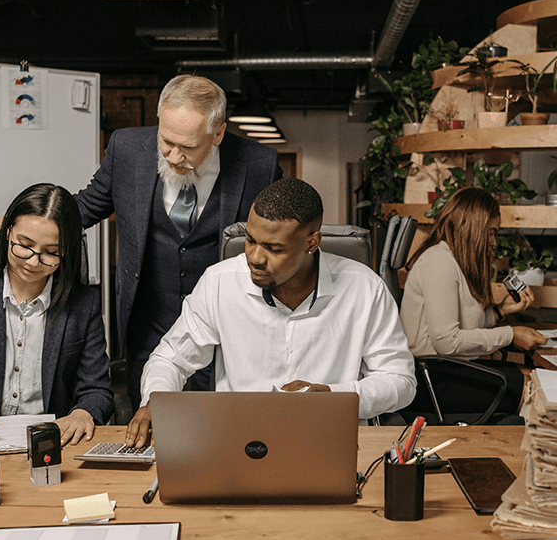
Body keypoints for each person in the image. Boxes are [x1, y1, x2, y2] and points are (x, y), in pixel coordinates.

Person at [125, 178, 416, 447]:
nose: (254, 257)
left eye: (273, 248)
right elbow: (170, 360)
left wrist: (332, 396)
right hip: (237, 443)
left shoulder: (365, 289)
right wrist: (156, 400)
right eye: (251, 240)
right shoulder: (219, 282)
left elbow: (401, 381)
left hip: (331, 440)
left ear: (311, 244)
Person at [73, 74, 282, 409]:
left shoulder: (258, 164)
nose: (172, 156)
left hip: (224, 324)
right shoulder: (127, 149)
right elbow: (86, 206)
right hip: (148, 320)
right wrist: (28, 217)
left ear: (218, 134)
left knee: (219, 423)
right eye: (166, 141)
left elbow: (281, 236)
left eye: (188, 147)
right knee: (149, 419)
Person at [0, 183, 114, 443]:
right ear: (7, 232)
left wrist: (83, 413)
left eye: (50, 253)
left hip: (54, 443)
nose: (32, 262)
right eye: (24, 245)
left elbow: (97, 390)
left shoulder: (84, 304)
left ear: (66, 252)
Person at [399, 187, 547, 418]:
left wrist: (500, 311)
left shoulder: (451, 260)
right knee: (536, 388)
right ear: (474, 229)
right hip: (430, 380)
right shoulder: (439, 264)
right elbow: (447, 342)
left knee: (533, 377)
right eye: (491, 233)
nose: (493, 242)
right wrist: (510, 335)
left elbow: (459, 327)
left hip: (445, 368)